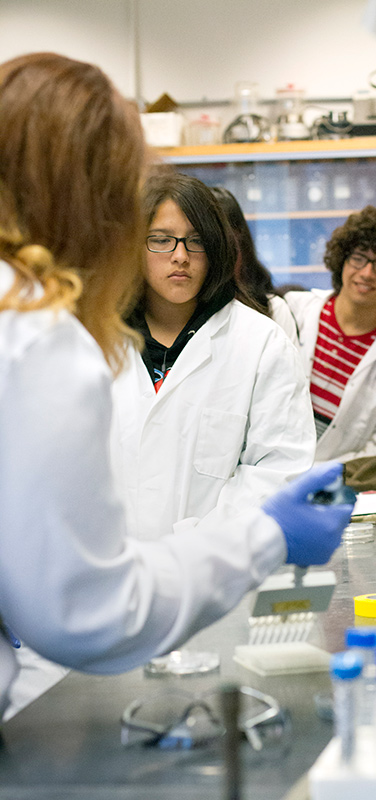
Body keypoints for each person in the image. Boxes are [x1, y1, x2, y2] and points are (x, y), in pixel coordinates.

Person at [0, 52, 353, 716]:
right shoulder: (36, 334)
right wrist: (267, 537)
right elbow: (88, 615)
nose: (166, 251)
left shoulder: (250, 339)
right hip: (96, 635)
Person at [110, 168, 315, 541]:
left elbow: (278, 472)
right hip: (112, 572)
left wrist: (194, 550)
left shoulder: (260, 343)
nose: (180, 256)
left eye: (196, 241)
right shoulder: (99, 341)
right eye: (160, 240)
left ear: (217, 248)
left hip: (215, 573)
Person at [285, 206, 376, 462]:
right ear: (342, 261)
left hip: (334, 488)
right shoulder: (293, 311)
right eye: (359, 258)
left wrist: (323, 477)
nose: (367, 273)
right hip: (268, 474)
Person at [209, 185, 299, 345]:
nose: (220, 262)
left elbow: (292, 367)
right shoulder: (184, 313)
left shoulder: (273, 309)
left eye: (228, 248)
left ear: (242, 247)